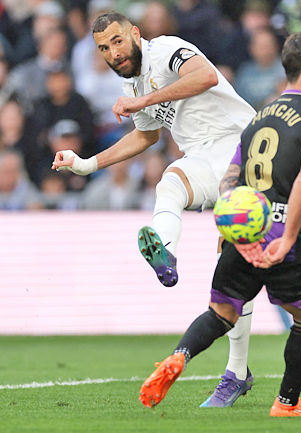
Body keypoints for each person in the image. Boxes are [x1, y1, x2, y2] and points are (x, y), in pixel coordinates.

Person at [50, 11, 258, 408]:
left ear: (135, 33)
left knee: (232, 263)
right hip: (203, 157)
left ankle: (236, 371)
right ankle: (166, 256)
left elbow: (205, 77)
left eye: (116, 41)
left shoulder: (167, 50)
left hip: (241, 150)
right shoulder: (134, 82)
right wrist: (86, 164)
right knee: (169, 182)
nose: (113, 52)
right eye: (103, 48)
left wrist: (143, 99)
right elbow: (145, 135)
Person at [137, 30, 301, 417]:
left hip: (243, 237)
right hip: (287, 240)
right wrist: (286, 239)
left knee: (221, 312)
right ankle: (287, 402)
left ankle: (180, 355)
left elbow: (230, 179)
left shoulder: (258, 117)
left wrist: (233, 231)